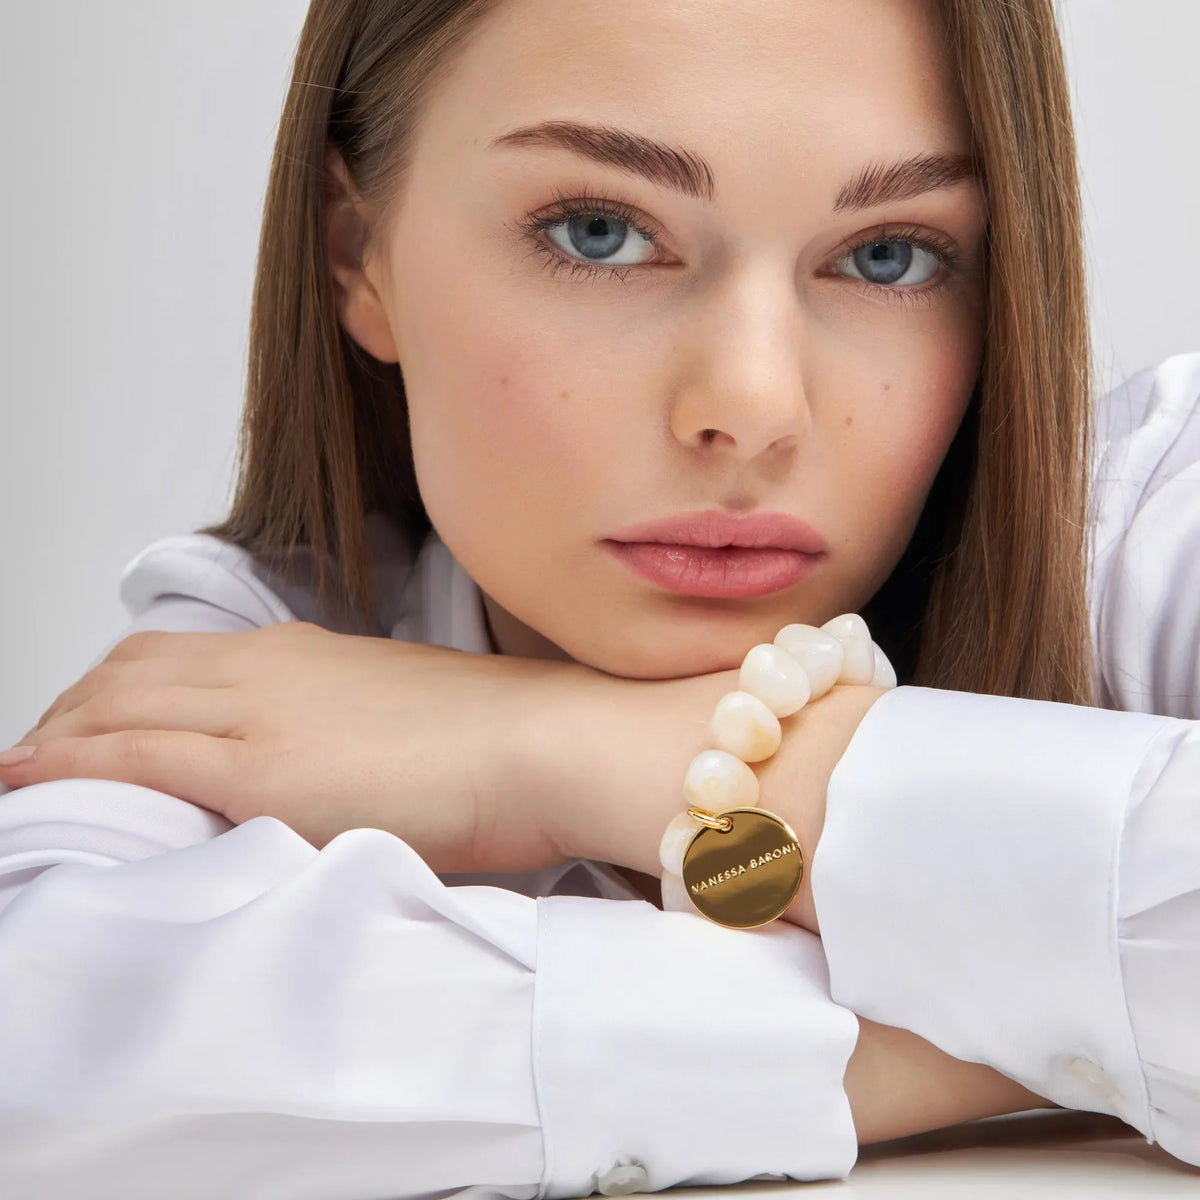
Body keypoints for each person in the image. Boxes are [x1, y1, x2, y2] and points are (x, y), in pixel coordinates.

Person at [0, 0, 1196, 1195]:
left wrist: (555, 749)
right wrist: (1015, 1040)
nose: (751, 406)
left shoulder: (1143, 524)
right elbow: (38, 1046)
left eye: (890, 254)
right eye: (601, 232)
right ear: (356, 249)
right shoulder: (271, 653)